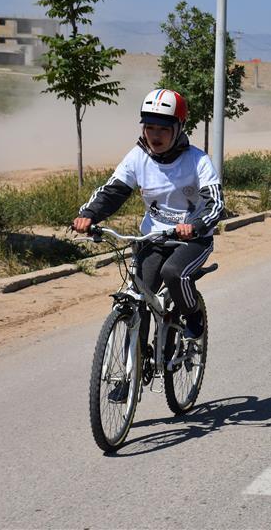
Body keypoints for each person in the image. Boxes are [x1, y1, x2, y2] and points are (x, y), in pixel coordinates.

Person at [73, 88, 224, 347]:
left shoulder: (197, 160)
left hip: (192, 240)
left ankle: (192, 314)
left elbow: (215, 203)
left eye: (163, 129)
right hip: (153, 238)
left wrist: (196, 225)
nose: (155, 135)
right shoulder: (137, 157)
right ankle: (134, 362)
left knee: (173, 273)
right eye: (150, 127)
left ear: (179, 127)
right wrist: (88, 215)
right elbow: (113, 191)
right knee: (138, 295)